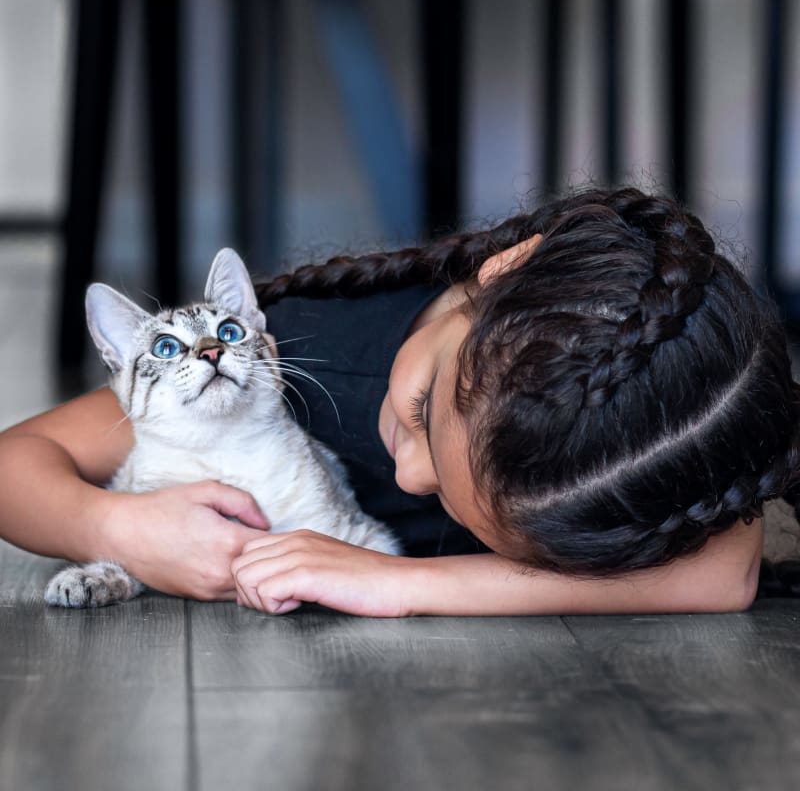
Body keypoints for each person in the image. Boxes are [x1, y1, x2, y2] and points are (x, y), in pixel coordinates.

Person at [0, 187, 797, 616]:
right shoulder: (300, 352)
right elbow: (14, 465)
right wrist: (116, 528)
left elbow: (722, 574)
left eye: (448, 490)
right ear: (503, 270)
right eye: (420, 411)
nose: (410, 474)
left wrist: (396, 584)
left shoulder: (632, 449)